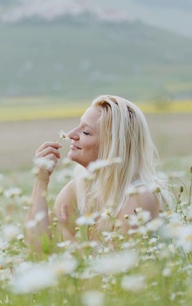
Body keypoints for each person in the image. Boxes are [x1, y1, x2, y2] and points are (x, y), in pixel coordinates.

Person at [25, 95, 170, 252]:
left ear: (112, 147)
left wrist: (61, 232)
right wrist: (40, 181)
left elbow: (114, 270)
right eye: (78, 126)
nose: (71, 134)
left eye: (86, 132)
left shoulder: (140, 197)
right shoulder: (81, 186)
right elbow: (37, 249)